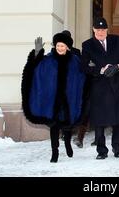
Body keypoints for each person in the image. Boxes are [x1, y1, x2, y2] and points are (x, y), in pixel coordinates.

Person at [21, 32, 85, 162]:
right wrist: (37, 53)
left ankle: (67, 144)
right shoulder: (48, 60)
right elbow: (34, 69)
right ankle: (54, 152)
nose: (60, 48)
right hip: (53, 101)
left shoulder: (75, 61)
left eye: (63, 46)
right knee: (54, 126)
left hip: (69, 99)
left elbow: (82, 77)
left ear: (67, 47)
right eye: (58, 45)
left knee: (68, 125)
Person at [81, 17, 119, 159]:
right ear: (93, 30)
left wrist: (118, 67)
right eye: (98, 29)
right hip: (99, 88)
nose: (101, 32)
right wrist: (100, 70)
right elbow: (83, 66)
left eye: (103, 29)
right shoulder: (87, 45)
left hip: (117, 86)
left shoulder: (118, 41)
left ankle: (117, 148)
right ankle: (102, 151)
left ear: (107, 30)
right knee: (99, 122)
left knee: (118, 120)